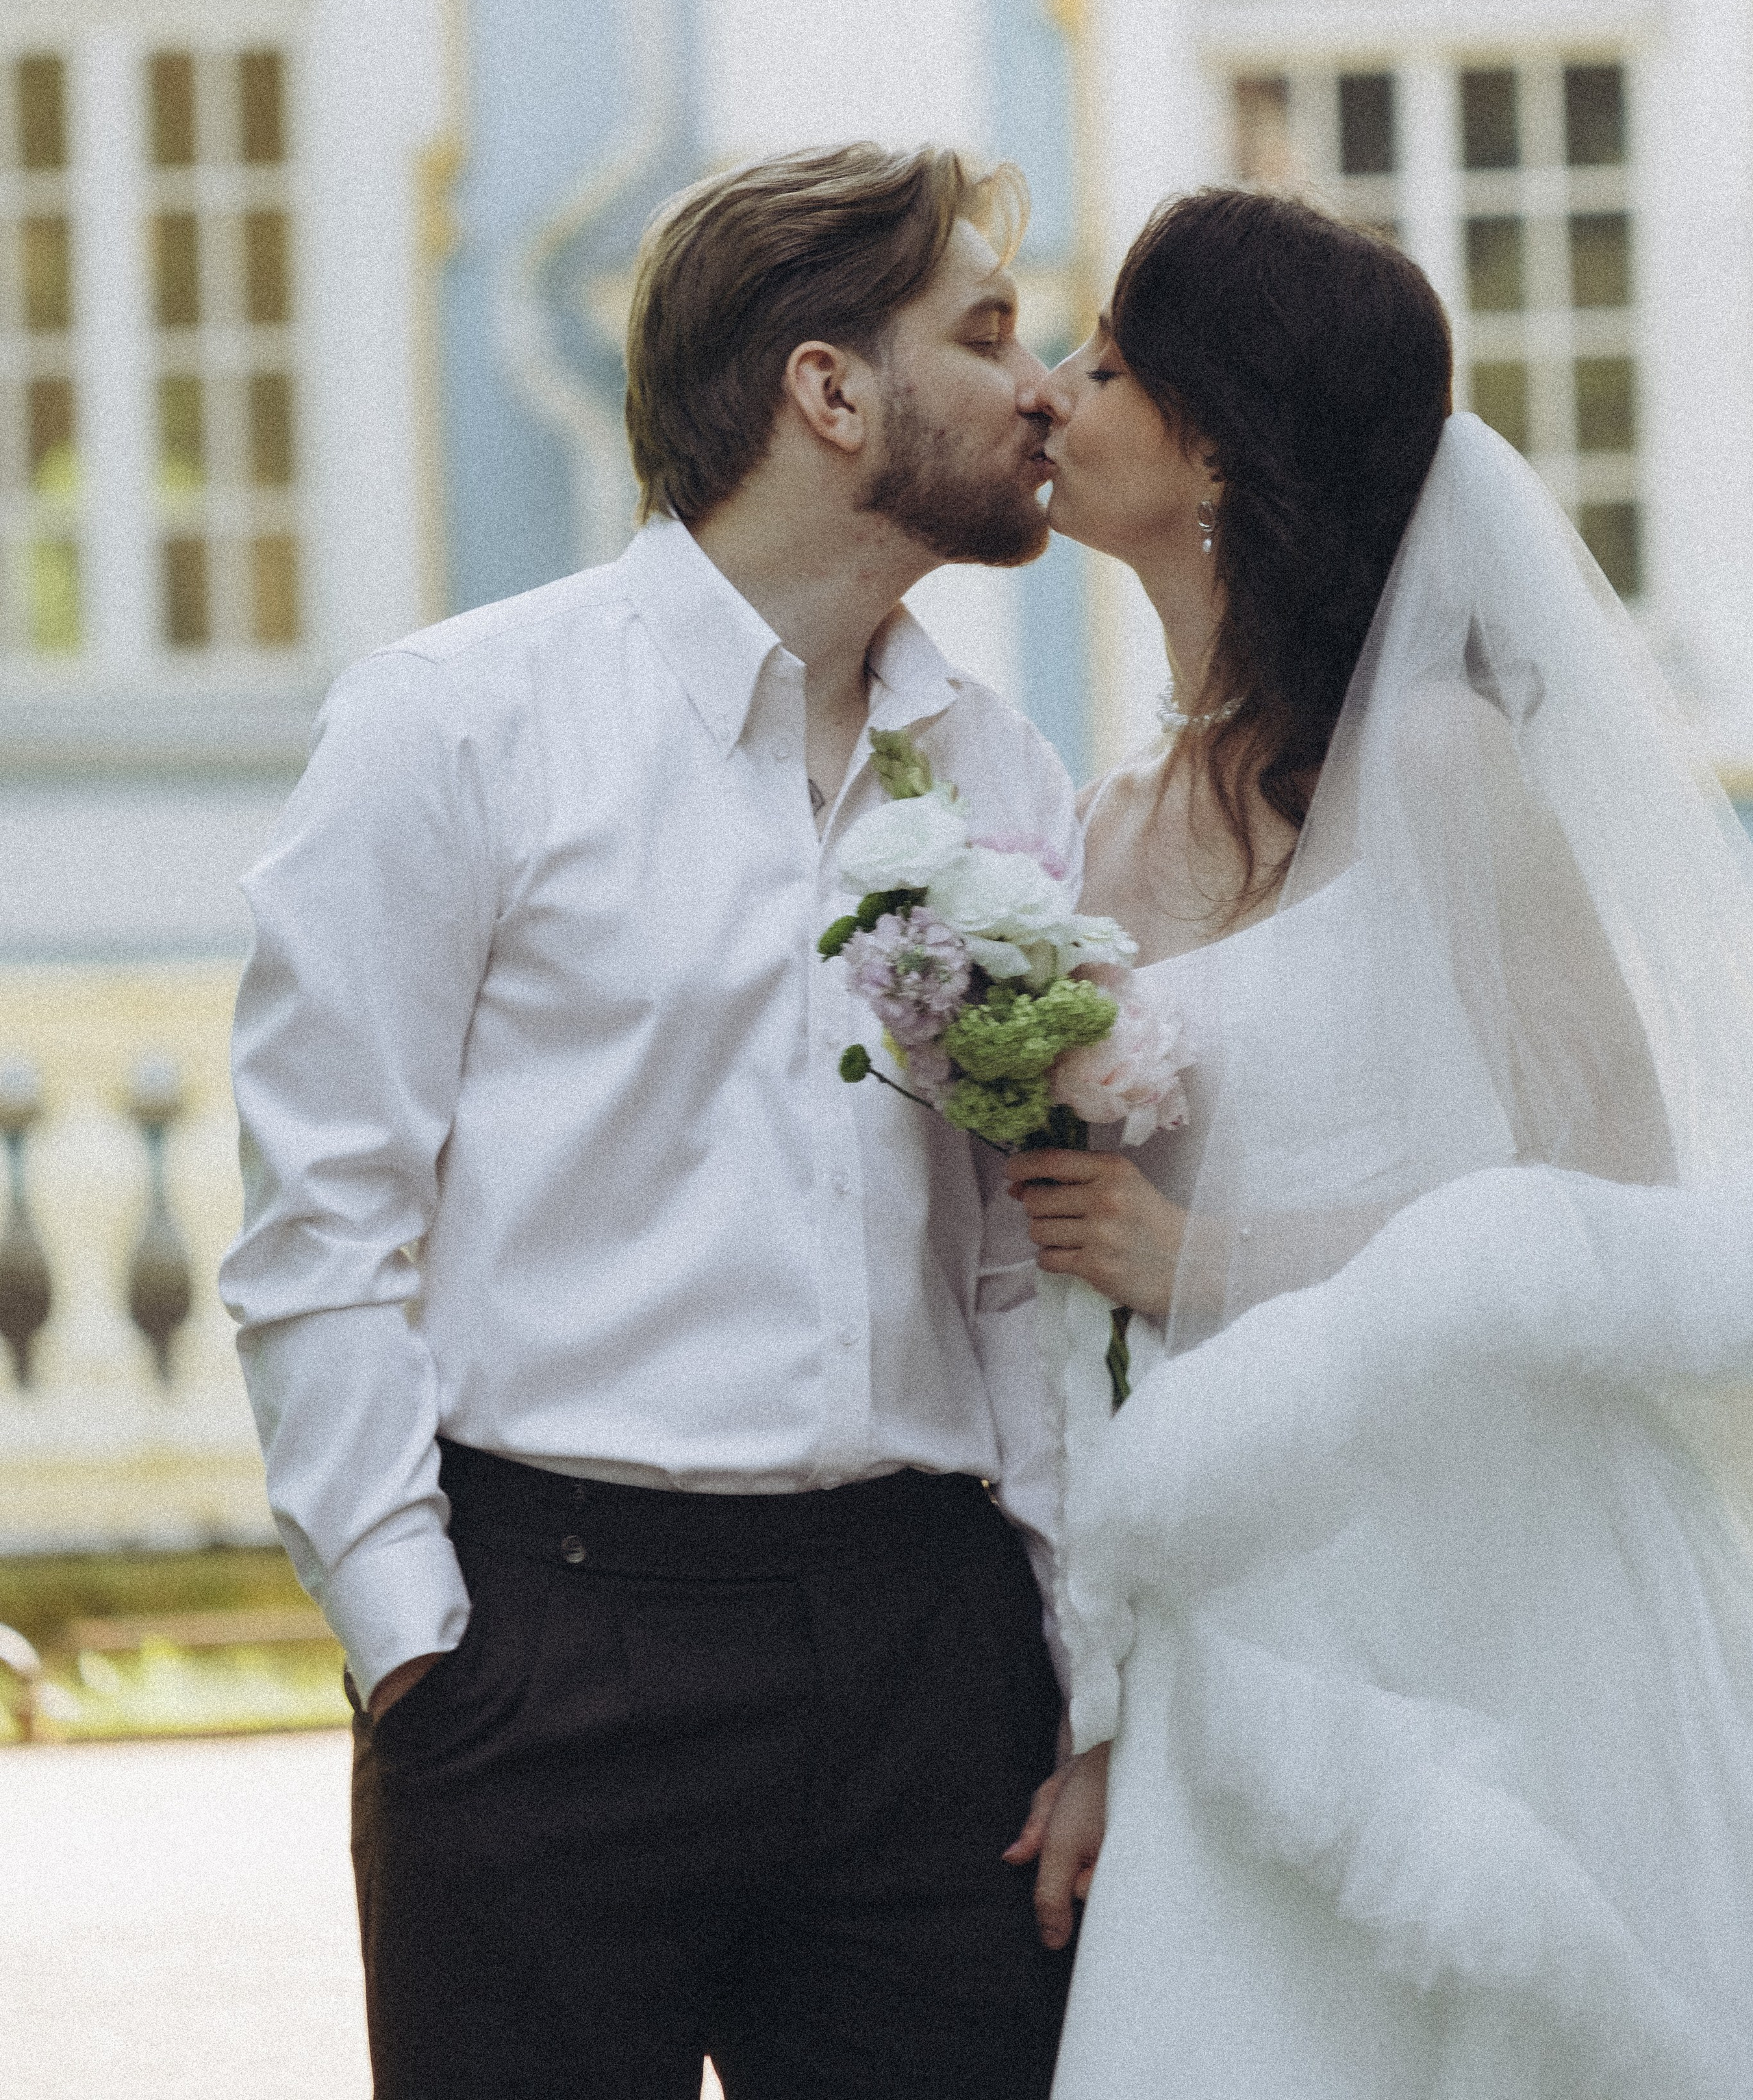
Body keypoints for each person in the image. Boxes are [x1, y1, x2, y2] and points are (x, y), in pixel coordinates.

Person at [219, 143, 1082, 2100]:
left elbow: (1022, 1263)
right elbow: (320, 1226)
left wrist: (1073, 1660)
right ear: (828, 389)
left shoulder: (999, 766)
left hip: (936, 1674)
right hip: (551, 1661)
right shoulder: (453, 725)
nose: (1045, 387)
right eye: (989, 331)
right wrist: (418, 1650)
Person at [1002, 189, 1753, 2096]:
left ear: (1217, 445)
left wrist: (1214, 1263)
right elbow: (1076, 1328)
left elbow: (1617, 1196)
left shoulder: (1440, 762)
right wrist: (1103, 1713)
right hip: (1238, 1592)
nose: (1057, 393)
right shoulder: (1099, 834)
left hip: (1484, 1571)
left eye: (1106, 361)